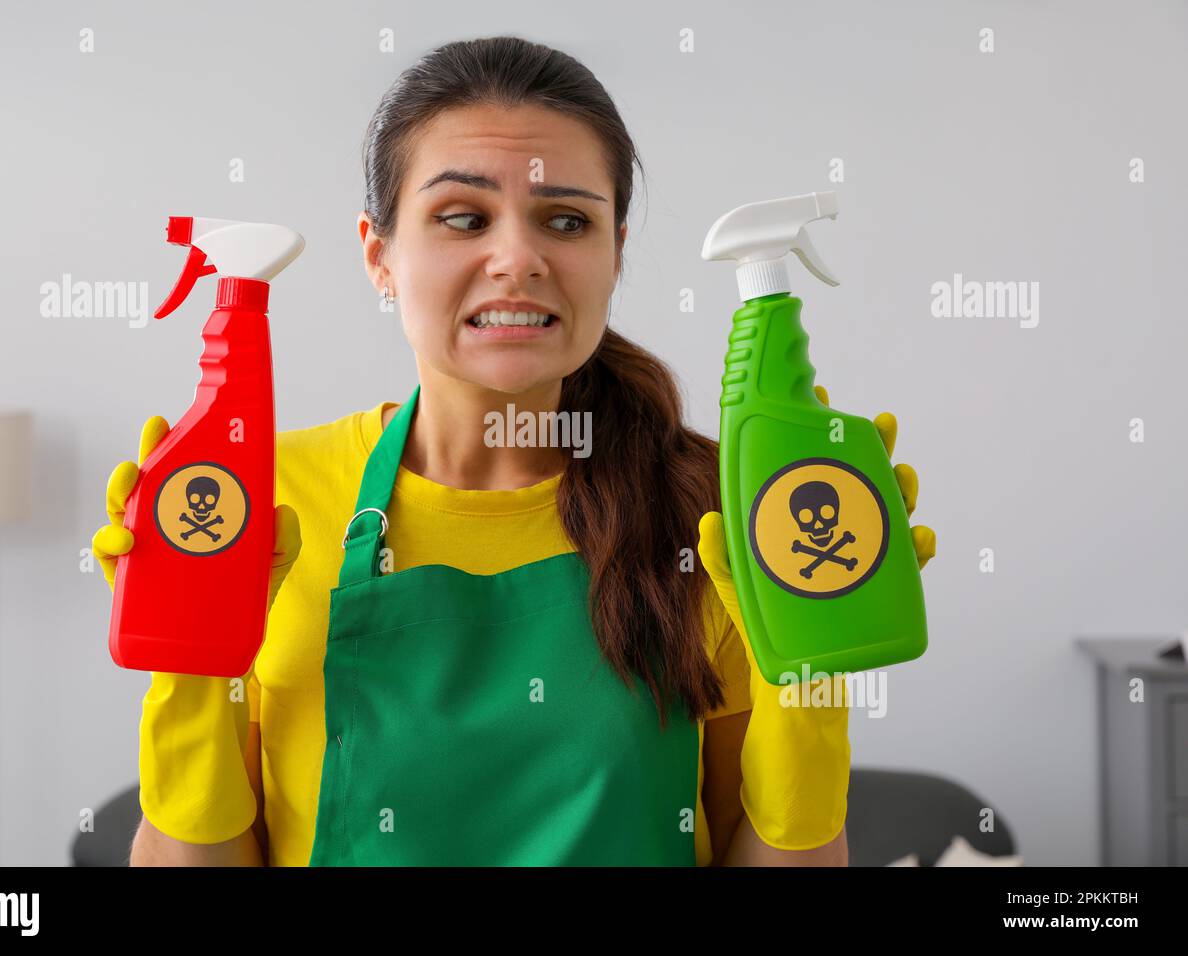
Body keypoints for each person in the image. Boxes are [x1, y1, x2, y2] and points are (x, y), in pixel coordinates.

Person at [92, 35, 935, 866]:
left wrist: (813, 688)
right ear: (379, 255)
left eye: (566, 220)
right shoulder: (255, 502)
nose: (519, 259)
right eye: (463, 218)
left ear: (615, 254)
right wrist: (190, 668)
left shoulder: (721, 513)